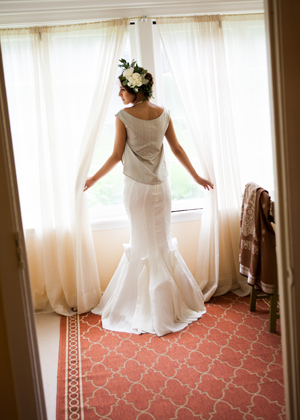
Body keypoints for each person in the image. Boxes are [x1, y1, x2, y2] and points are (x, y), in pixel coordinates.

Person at [84, 59, 214, 336]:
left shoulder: (123, 116)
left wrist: (92, 179)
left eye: (122, 90)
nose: (119, 96)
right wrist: (196, 177)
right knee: (160, 241)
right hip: (162, 188)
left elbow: (116, 156)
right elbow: (177, 149)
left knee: (144, 242)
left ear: (135, 89)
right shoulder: (164, 112)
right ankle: (170, 303)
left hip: (137, 189)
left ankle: (150, 307)